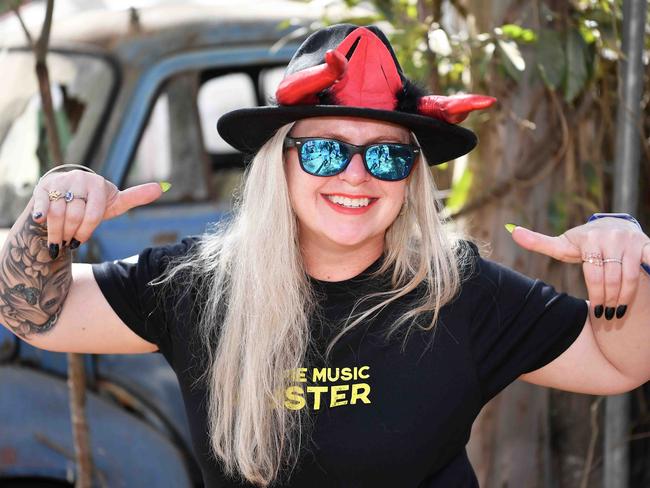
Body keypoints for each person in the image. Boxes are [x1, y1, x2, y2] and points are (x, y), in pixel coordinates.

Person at [1, 24, 649, 488]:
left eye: (389, 154)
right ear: (277, 164)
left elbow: (620, 364)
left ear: (411, 177)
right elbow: (33, 316)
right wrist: (45, 221)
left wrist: (630, 273)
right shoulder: (201, 286)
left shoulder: (458, 290)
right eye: (323, 149)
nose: (356, 175)